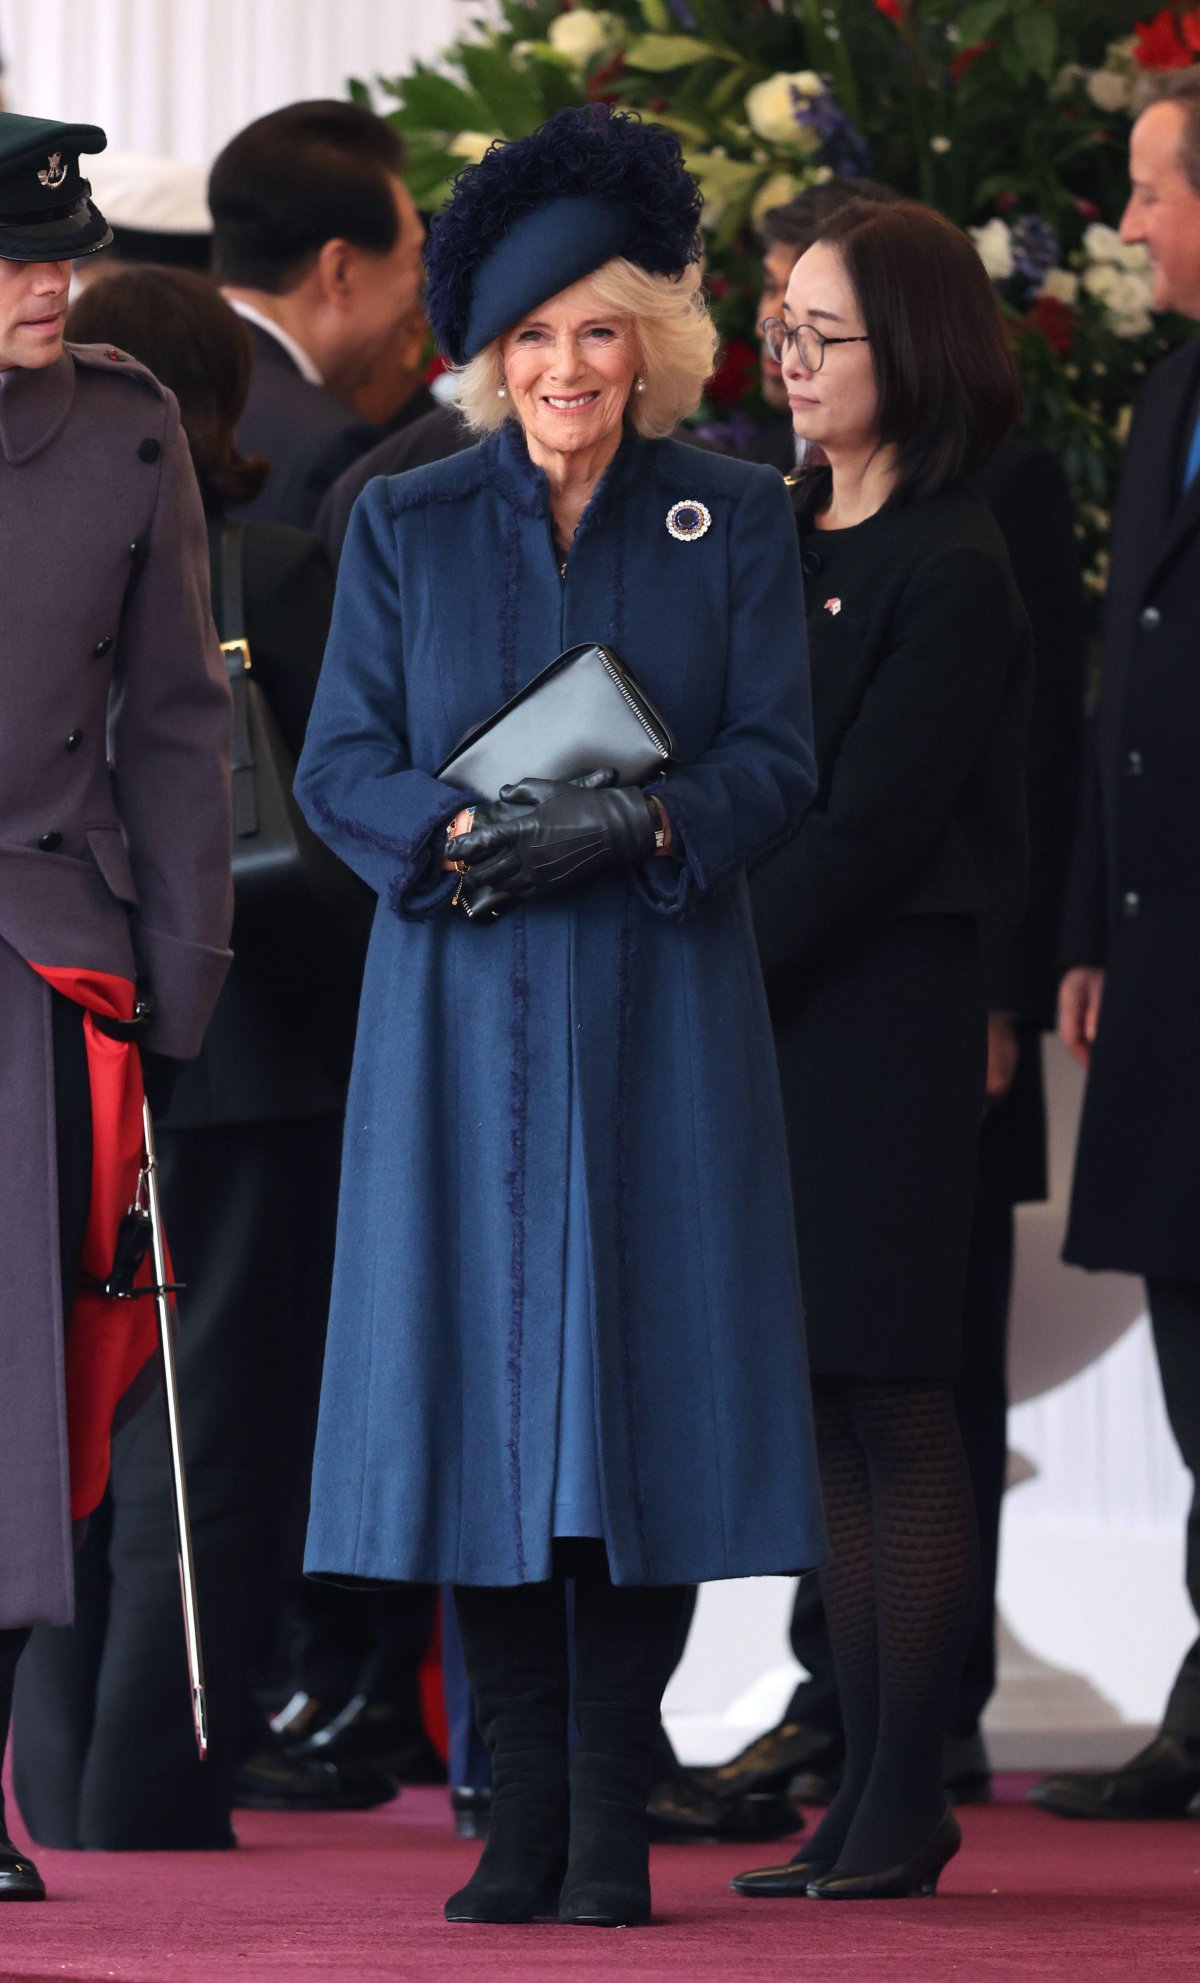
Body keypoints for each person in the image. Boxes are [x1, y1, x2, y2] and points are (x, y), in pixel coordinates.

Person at [294, 104, 826, 1930]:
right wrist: (452, 830)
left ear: (655, 342)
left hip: (664, 1014)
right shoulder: (406, 522)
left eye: (599, 328)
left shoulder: (735, 513)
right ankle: (515, 1811)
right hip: (459, 1017)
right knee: (480, 1409)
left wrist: (644, 815)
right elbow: (333, 759)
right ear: (487, 357)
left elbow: (780, 757)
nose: (566, 368)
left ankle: (612, 1815)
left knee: (645, 1415)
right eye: (531, 337)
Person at [704, 177, 1087, 1811]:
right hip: (779, 1018)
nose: (786, 357)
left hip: (881, 1022)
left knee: (896, 1401)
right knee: (823, 1413)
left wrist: (694, 950)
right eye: (779, 326)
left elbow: (861, 829)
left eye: (822, 332)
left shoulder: (958, 559)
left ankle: (902, 1792)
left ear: (913, 349)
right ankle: (858, 1777)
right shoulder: (778, 528)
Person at [8, 266, 389, 1848]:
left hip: (118, 1004)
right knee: (187, 1431)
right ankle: (147, 1791)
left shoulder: (125, 478)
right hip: (218, 1040)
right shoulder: (288, 567)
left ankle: (75, 1787)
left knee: (75, 1411)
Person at [0, 112, 232, 1900]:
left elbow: (173, 719)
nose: (44, 277)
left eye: (55, 250)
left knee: (42, 1401)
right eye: (10, 255)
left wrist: (182, 980)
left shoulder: (131, 424)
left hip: (53, 957)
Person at [1033, 67, 1200, 1824]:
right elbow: (1119, 694)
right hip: (1160, 957)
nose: (1129, 226)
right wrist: (1084, 920)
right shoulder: (1168, 392)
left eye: (1155, 190)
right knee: (1189, 1342)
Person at [208, 100, 425, 529]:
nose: (419, 293)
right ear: (339, 271)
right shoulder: (327, 447)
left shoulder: (149, 376)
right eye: (415, 260)